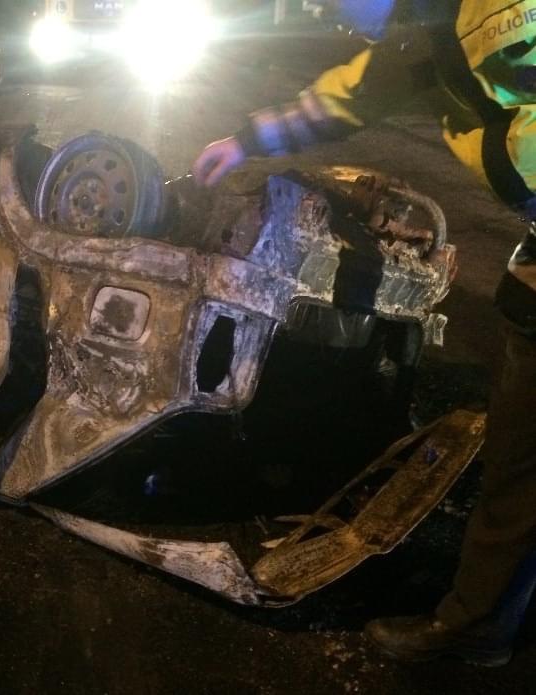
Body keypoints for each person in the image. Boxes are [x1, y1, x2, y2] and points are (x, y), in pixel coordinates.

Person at [193, 0, 536, 666]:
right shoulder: (430, 24)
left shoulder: (499, 15)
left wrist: (491, 153)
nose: (332, 13)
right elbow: (355, 91)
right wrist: (247, 140)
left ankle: (479, 623)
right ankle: (486, 616)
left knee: (523, 457)